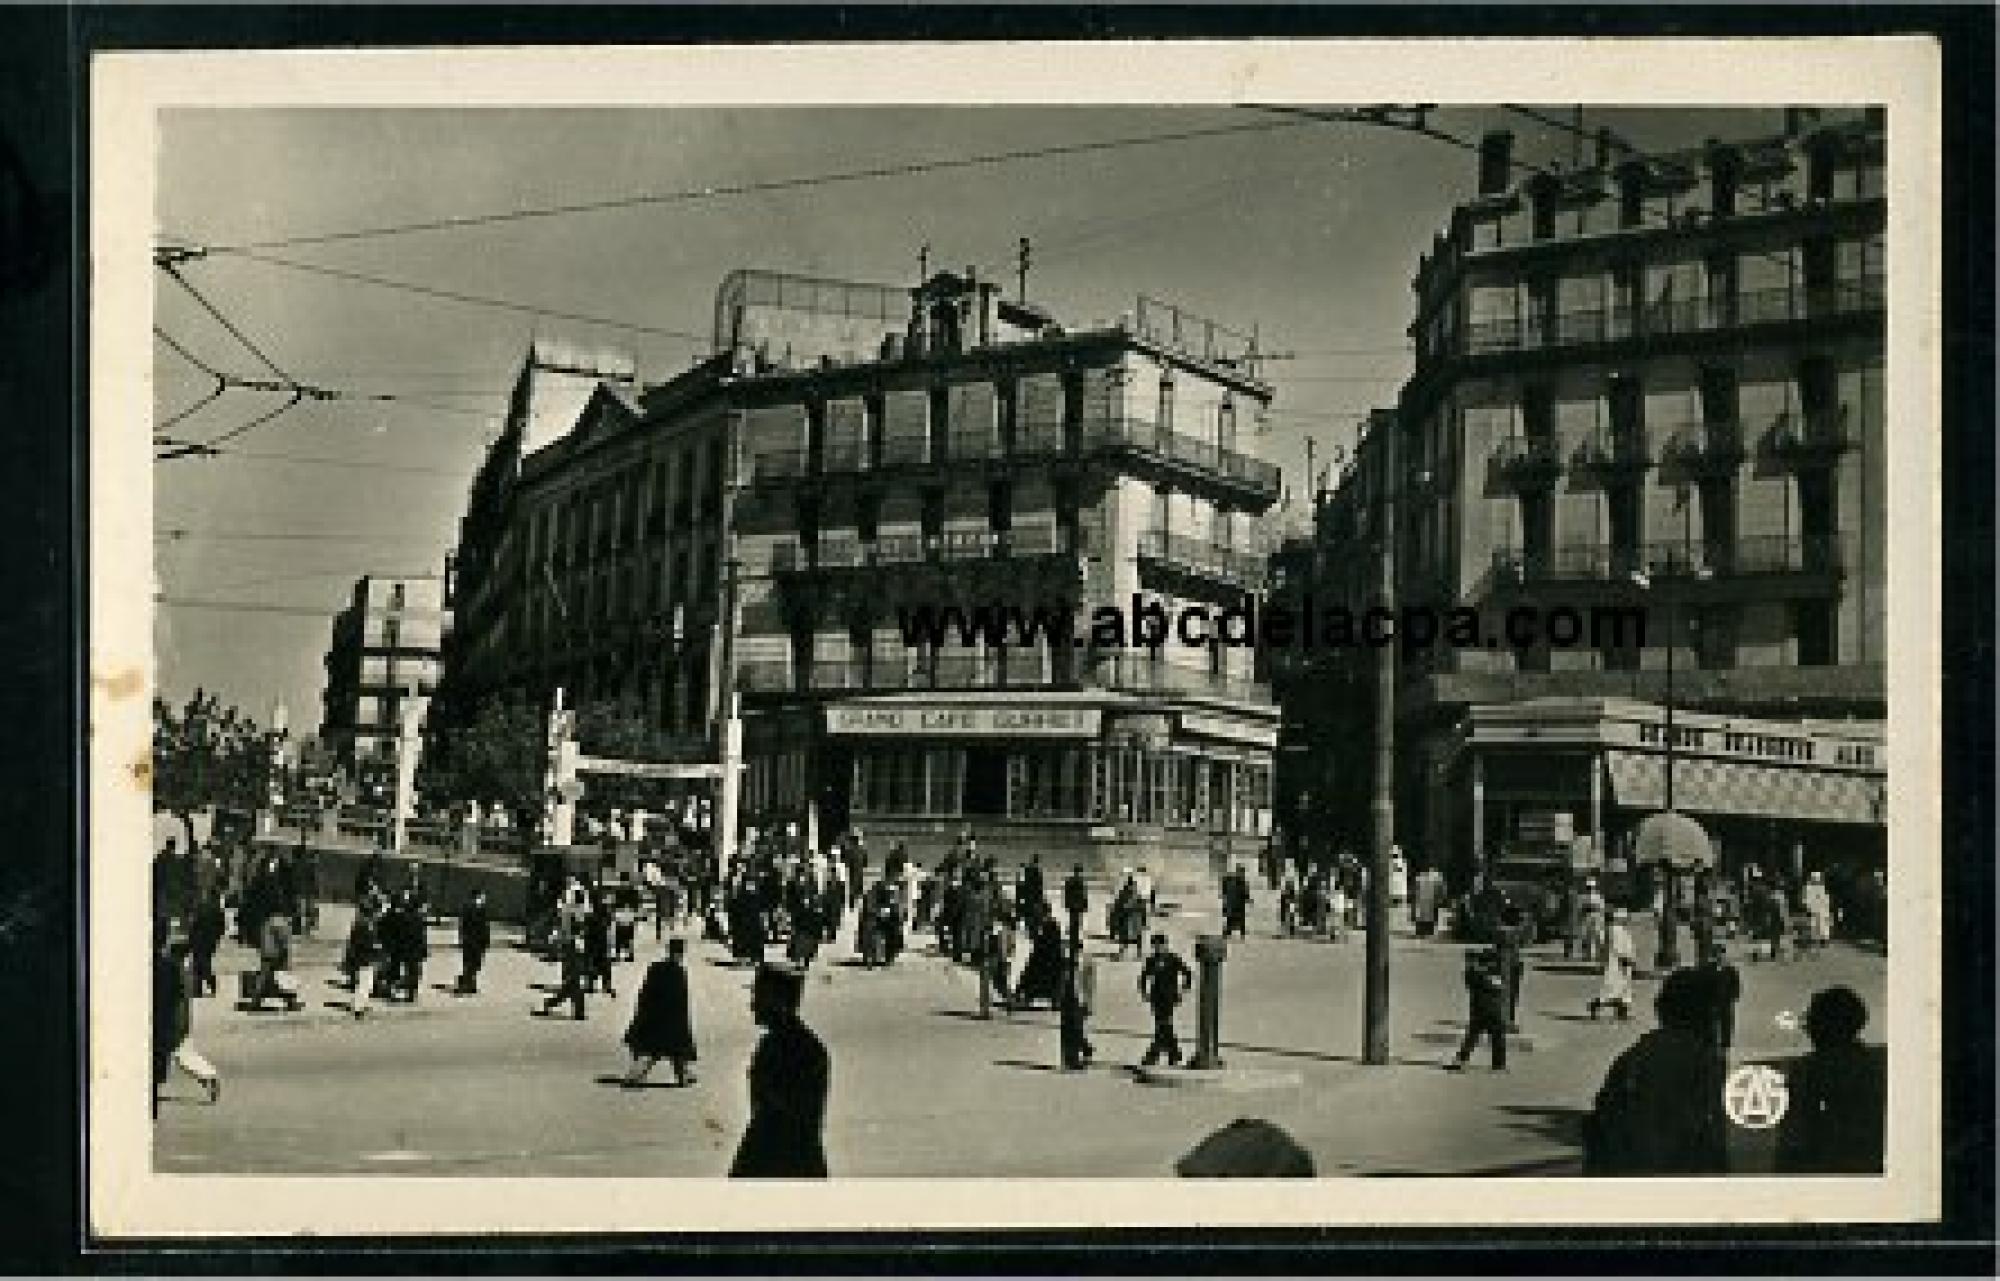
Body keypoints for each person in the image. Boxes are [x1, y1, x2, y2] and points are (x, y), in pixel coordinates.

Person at [1582, 969, 1730, 1175]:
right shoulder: (1701, 1061)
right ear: (1706, 1015)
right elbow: (1708, 1133)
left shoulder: (1637, 1054)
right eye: (1716, 1012)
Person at [729, 962, 830, 1178]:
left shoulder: (799, 1050)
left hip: (781, 1159)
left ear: (780, 1001)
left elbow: (791, 1116)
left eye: (759, 996)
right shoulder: (789, 1045)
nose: (753, 1005)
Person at [1775, 986, 1886, 1174]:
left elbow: (1794, 1134)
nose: (1808, 1030)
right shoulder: (1874, 1066)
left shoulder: (1806, 1070)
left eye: (1812, 1021)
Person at [153, 922, 220, 1114]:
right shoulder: (178, 971)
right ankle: (207, 1075)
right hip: (174, 1021)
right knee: (180, 1054)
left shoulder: (170, 969)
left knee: (181, 1055)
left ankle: (207, 1075)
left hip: (170, 1023)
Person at [623, 937, 699, 1087]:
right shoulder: (679, 972)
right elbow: (681, 1000)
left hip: (653, 1016)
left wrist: (641, 1013)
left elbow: (644, 993)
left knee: (651, 1050)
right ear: (682, 953)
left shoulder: (656, 968)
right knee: (673, 1050)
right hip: (671, 1019)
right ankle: (681, 1076)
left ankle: (637, 1075)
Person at [1445, 948, 1509, 1072]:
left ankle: (1497, 1063)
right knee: (1476, 1037)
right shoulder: (1476, 975)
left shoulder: (1486, 974)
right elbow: (1497, 986)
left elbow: (1500, 987)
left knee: (1492, 1037)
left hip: (1489, 1010)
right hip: (1482, 1010)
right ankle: (1463, 1060)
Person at [1137, 934, 1194, 1068]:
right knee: (1163, 1024)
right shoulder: (1151, 960)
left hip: (1169, 996)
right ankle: (1173, 1052)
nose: (1157, 948)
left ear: (1165, 945)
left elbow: (1187, 973)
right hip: (1156, 997)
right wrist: (1144, 992)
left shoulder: (1172, 958)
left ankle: (1155, 1054)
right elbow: (1144, 977)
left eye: (1159, 945)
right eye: (1155, 946)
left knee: (1163, 1024)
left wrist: (1183, 990)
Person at [1694, 939, 1743, 1056]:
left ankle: (1725, 1044)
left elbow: (1735, 983)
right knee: (1710, 1023)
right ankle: (1711, 1044)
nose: (1719, 957)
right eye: (1716, 954)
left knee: (1726, 1023)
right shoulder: (1707, 969)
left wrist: (1733, 996)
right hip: (1712, 1002)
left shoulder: (1730, 969)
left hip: (1726, 1001)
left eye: (1721, 954)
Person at [1589, 908, 1637, 1020]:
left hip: (1616, 962)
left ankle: (1621, 1011)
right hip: (1618, 963)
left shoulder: (1612, 930)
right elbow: (1619, 948)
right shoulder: (1617, 930)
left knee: (1620, 988)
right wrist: (1626, 958)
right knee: (1617, 987)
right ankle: (1597, 1005)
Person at [1058, 939, 1097, 1071]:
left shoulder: (1087, 962)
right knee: (1073, 1027)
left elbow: (1090, 985)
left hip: (1080, 999)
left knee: (1077, 1026)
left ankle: (1078, 1053)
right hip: (1069, 999)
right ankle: (1079, 1051)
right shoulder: (1065, 962)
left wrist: (1089, 1002)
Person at [539, 928, 591, 1021]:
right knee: (574, 995)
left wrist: (568, 976)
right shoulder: (573, 954)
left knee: (567, 994)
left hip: (573, 978)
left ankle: (548, 1007)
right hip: (574, 978)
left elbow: (574, 967)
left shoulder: (571, 954)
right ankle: (579, 1013)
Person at [187, 884, 226, 998]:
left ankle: (201, 987)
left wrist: (191, 937)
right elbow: (221, 928)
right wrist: (217, 938)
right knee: (204, 962)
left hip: (201, 939)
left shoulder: (203, 908)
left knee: (199, 963)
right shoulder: (217, 911)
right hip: (207, 940)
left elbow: (194, 924)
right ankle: (205, 986)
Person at [456, 890, 492, 996]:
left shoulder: (481, 910)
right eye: (482, 897)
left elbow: (485, 927)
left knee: (474, 963)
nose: (484, 899)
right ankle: (467, 984)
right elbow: (465, 926)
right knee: (470, 963)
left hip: (476, 940)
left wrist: (486, 940)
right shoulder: (470, 910)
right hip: (472, 940)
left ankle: (469, 983)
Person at [1110, 875, 1146, 961]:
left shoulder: (1134, 897)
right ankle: (1124, 953)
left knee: (1134, 938)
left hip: (1133, 920)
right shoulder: (1123, 897)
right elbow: (1116, 910)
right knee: (1126, 938)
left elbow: (1142, 909)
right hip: (1127, 920)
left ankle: (1138, 954)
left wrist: (1143, 920)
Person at [1573, 877, 1608, 963]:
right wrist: (1579, 921)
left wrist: (1601, 921)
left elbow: (1601, 910)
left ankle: (1594, 957)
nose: (1590, 889)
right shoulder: (1582, 898)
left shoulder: (1598, 897)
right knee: (1587, 939)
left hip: (1595, 918)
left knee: (1595, 938)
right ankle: (1587, 957)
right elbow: (1578, 910)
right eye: (1588, 887)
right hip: (1586, 918)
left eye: (1591, 887)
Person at [611, 872, 642, 963]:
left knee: (619, 936)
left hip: (620, 914)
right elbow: (637, 904)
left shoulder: (618, 890)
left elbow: (615, 904)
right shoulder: (632, 890)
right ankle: (629, 954)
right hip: (629, 915)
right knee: (629, 936)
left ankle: (618, 955)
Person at [1801, 871, 1834, 953]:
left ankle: (1823, 940)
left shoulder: (1820, 888)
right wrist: (1809, 908)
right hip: (1814, 910)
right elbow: (1806, 900)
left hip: (1821, 909)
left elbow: (1825, 899)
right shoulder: (1808, 888)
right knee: (1815, 925)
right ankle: (1815, 941)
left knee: (1823, 925)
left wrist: (1826, 907)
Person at [1411, 863, 1446, 939]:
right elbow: (1442, 890)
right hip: (1431, 901)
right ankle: (1427, 931)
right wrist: (1441, 899)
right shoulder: (1438, 877)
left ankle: (1421, 931)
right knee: (1430, 916)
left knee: (1422, 915)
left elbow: (1415, 890)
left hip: (1423, 901)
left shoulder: (1420, 877)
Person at [1220, 864, 1251, 940]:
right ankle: (1231, 933)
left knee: (1234, 920)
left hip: (1235, 904)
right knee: (1234, 920)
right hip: (1235, 904)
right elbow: (1246, 895)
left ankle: (1231, 933)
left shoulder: (1237, 882)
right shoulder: (1239, 883)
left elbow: (1246, 895)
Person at [1062, 864, 1089, 947]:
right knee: (1076, 924)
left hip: (1073, 905)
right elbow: (1083, 895)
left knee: (1073, 923)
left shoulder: (1070, 881)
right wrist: (1085, 904)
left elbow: (1067, 894)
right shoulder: (1080, 881)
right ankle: (1075, 941)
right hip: (1077, 905)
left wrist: (1067, 903)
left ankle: (1073, 941)